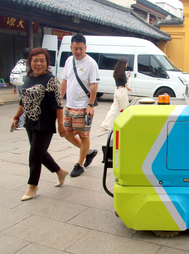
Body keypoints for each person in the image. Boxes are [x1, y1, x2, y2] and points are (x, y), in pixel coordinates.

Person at [10, 48, 69, 201]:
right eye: (35, 60)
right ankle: (60, 171)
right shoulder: (28, 78)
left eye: (42, 60)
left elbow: (58, 104)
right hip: (30, 122)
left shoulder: (51, 80)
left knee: (34, 155)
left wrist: (61, 125)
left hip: (45, 124)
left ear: (47, 63)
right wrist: (17, 116)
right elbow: (24, 101)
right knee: (40, 153)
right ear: (30, 62)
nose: (38, 63)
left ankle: (32, 186)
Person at [61, 34, 100, 177]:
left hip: (83, 107)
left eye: (81, 49)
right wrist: (60, 99)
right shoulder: (68, 61)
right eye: (75, 48)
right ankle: (89, 151)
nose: (78, 51)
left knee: (84, 136)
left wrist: (90, 104)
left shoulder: (91, 63)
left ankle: (79, 164)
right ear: (71, 47)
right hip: (69, 105)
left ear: (85, 48)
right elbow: (65, 81)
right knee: (66, 133)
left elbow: (94, 85)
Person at [101, 58, 131, 130]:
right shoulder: (123, 73)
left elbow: (120, 83)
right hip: (122, 92)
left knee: (113, 108)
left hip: (117, 90)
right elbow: (125, 83)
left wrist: (127, 87)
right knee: (126, 108)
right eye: (126, 64)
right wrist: (128, 78)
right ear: (124, 64)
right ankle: (127, 124)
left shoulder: (116, 72)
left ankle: (105, 123)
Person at [10, 48, 31, 129]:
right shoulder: (29, 64)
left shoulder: (19, 62)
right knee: (24, 104)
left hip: (18, 85)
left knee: (22, 103)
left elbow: (16, 75)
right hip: (26, 85)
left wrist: (14, 87)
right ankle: (22, 123)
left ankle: (21, 122)